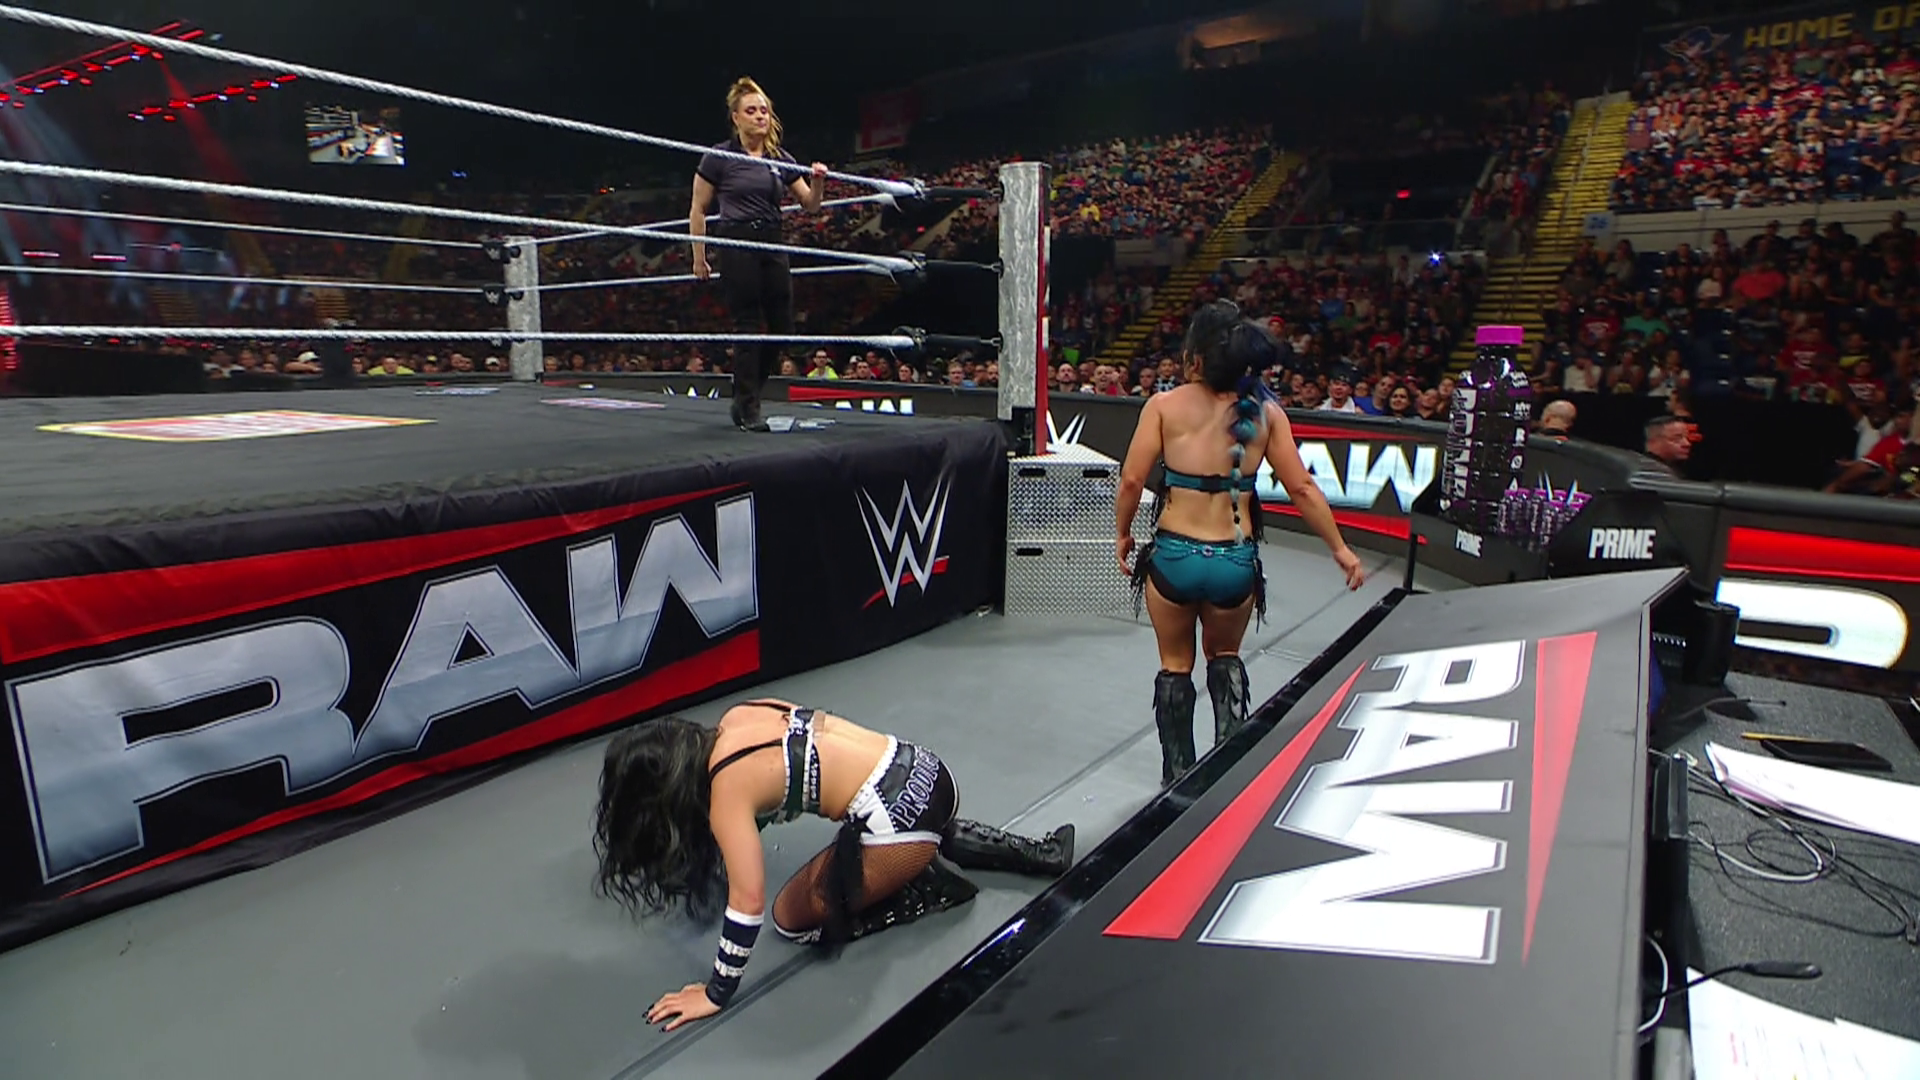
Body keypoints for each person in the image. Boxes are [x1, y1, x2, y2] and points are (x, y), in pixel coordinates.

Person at [596, 700, 1074, 1031]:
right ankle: (1013, 849)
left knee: (791, 918)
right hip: (926, 770)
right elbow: (790, 776)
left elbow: (748, 900)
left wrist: (715, 991)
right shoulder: (739, 717)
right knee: (882, 819)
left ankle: (919, 883)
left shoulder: (726, 790)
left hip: (902, 824)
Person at [1116, 301, 1367, 787]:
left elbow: (1131, 481)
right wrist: (1340, 549)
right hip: (1233, 560)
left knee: (1175, 665)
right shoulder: (1267, 414)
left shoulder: (1163, 406)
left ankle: (1177, 779)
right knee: (1225, 657)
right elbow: (1302, 488)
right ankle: (1227, 777)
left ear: (1195, 357)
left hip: (1173, 558)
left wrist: (1123, 533)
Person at [691, 77, 830, 432]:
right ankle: (749, 407)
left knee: (783, 327)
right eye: (751, 111)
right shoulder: (720, 156)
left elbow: (811, 205)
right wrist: (699, 256)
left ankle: (744, 391)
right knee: (748, 323)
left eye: (764, 110)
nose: (759, 116)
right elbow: (698, 208)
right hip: (737, 241)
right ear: (736, 117)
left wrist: (817, 181)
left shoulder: (780, 158)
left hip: (772, 239)